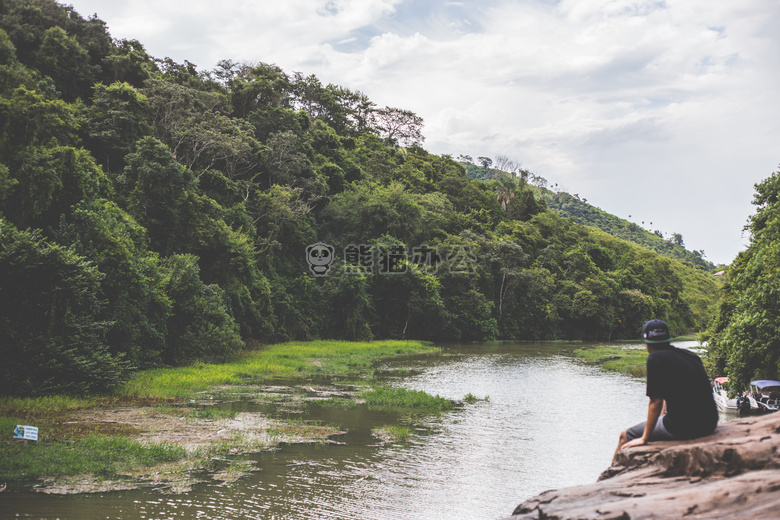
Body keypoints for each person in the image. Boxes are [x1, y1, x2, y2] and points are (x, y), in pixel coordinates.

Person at [614, 319, 718, 458]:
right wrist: (663, 415)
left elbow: (655, 401)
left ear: (647, 343)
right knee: (664, 419)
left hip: (683, 428)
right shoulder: (689, 355)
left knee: (625, 436)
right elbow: (667, 394)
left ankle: (609, 479)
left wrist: (645, 438)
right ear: (668, 339)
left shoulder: (655, 358)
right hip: (710, 423)